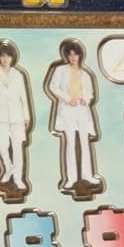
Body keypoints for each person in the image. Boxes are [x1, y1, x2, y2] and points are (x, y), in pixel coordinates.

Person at [47, 41, 101, 190]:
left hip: (82, 109)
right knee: (70, 143)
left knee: (84, 142)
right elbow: (53, 86)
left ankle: (87, 175)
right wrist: (66, 98)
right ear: (66, 56)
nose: (73, 57)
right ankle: (71, 179)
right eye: (70, 55)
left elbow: (90, 92)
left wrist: (85, 99)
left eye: (75, 54)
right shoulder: (60, 70)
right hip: (67, 109)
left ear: (80, 55)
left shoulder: (85, 74)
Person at [0, 41, 31, 192]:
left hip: (17, 115)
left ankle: (18, 178)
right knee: (2, 145)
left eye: (8, 56)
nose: (5, 59)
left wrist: (26, 115)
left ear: (12, 57)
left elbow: (24, 96)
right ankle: (8, 168)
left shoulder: (18, 74)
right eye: (2, 56)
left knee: (17, 147)